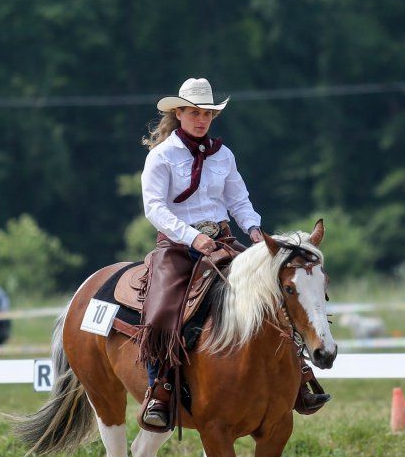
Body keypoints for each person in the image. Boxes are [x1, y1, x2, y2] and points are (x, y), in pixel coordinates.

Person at [137, 77, 330, 430]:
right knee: (161, 312)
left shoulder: (223, 155)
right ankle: (160, 391)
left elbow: (238, 201)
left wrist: (256, 232)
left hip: (224, 242)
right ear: (178, 113)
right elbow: (155, 208)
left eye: (207, 113)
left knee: (276, 296)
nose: (201, 119)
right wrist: (192, 237)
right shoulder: (160, 156)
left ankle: (299, 375)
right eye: (193, 112)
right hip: (178, 247)